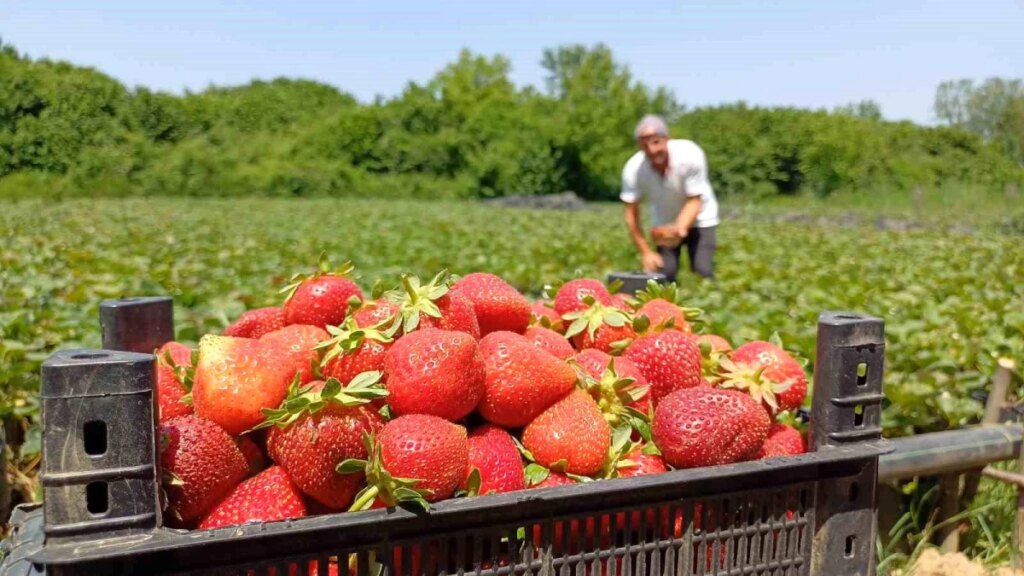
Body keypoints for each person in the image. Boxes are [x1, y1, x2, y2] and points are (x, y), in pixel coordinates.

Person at [621, 114, 719, 281]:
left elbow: (694, 200)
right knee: (662, 274)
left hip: (701, 218)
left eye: (656, 142)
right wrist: (646, 252)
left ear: (666, 138)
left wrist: (679, 229)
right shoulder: (633, 169)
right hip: (664, 222)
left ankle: (707, 303)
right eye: (645, 145)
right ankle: (667, 306)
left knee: (702, 270)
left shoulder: (690, 154)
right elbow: (631, 214)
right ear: (639, 146)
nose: (652, 150)